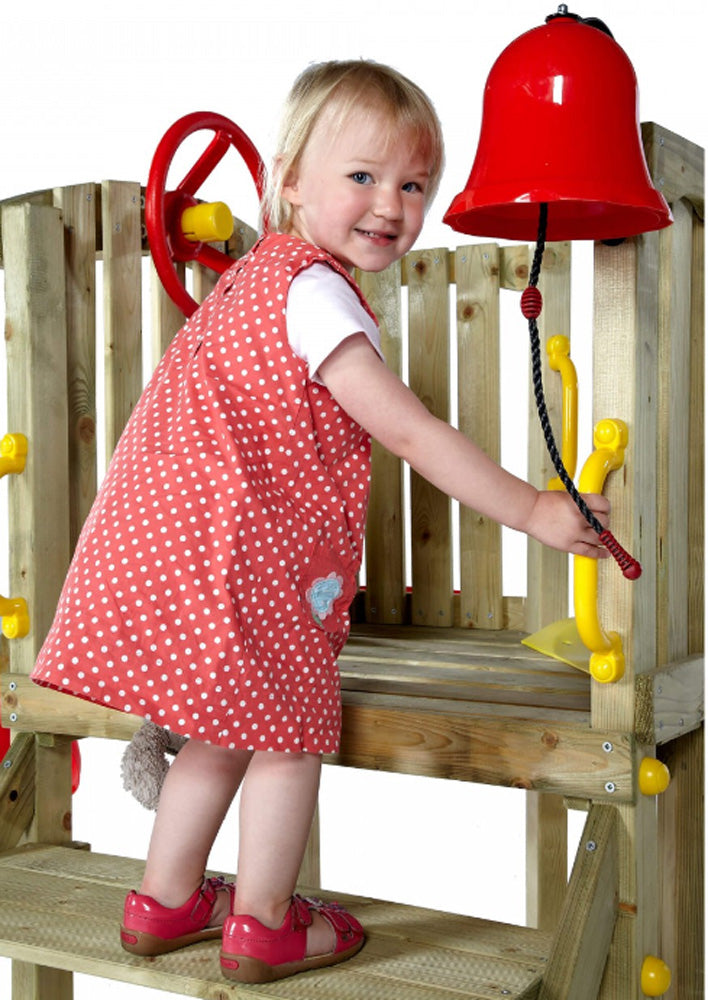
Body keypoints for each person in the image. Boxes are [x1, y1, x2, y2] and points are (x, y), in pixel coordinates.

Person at [31, 59, 610, 984]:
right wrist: (535, 509)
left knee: (220, 730)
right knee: (290, 736)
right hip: (247, 564)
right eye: (364, 175)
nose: (391, 204)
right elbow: (411, 432)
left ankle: (164, 900)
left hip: (179, 556)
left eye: (414, 184)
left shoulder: (248, 285)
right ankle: (265, 921)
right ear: (290, 179)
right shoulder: (317, 294)